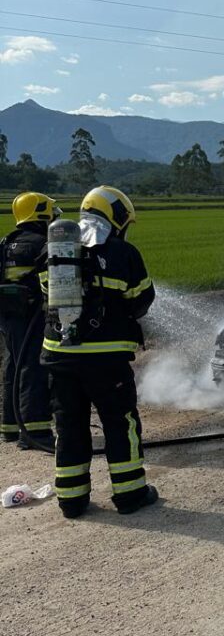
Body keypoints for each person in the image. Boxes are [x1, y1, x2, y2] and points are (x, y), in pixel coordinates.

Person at [41, 186, 158, 518]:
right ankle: (130, 493)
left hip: (59, 355)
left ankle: (72, 500)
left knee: (70, 426)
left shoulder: (56, 250)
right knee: (119, 423)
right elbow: (141, 300)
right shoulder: (123, 253)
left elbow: (43, 291)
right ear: (116, 217)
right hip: (106, 359)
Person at [0, 192, 60, 449]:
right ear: (39, 213)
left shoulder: (6, 242)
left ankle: (10, 428)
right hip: (33, 315)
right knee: (34, 367)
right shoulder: (41, 242)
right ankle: (35, 431)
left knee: (13, 364)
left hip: (8, 316)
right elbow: (51, 284)